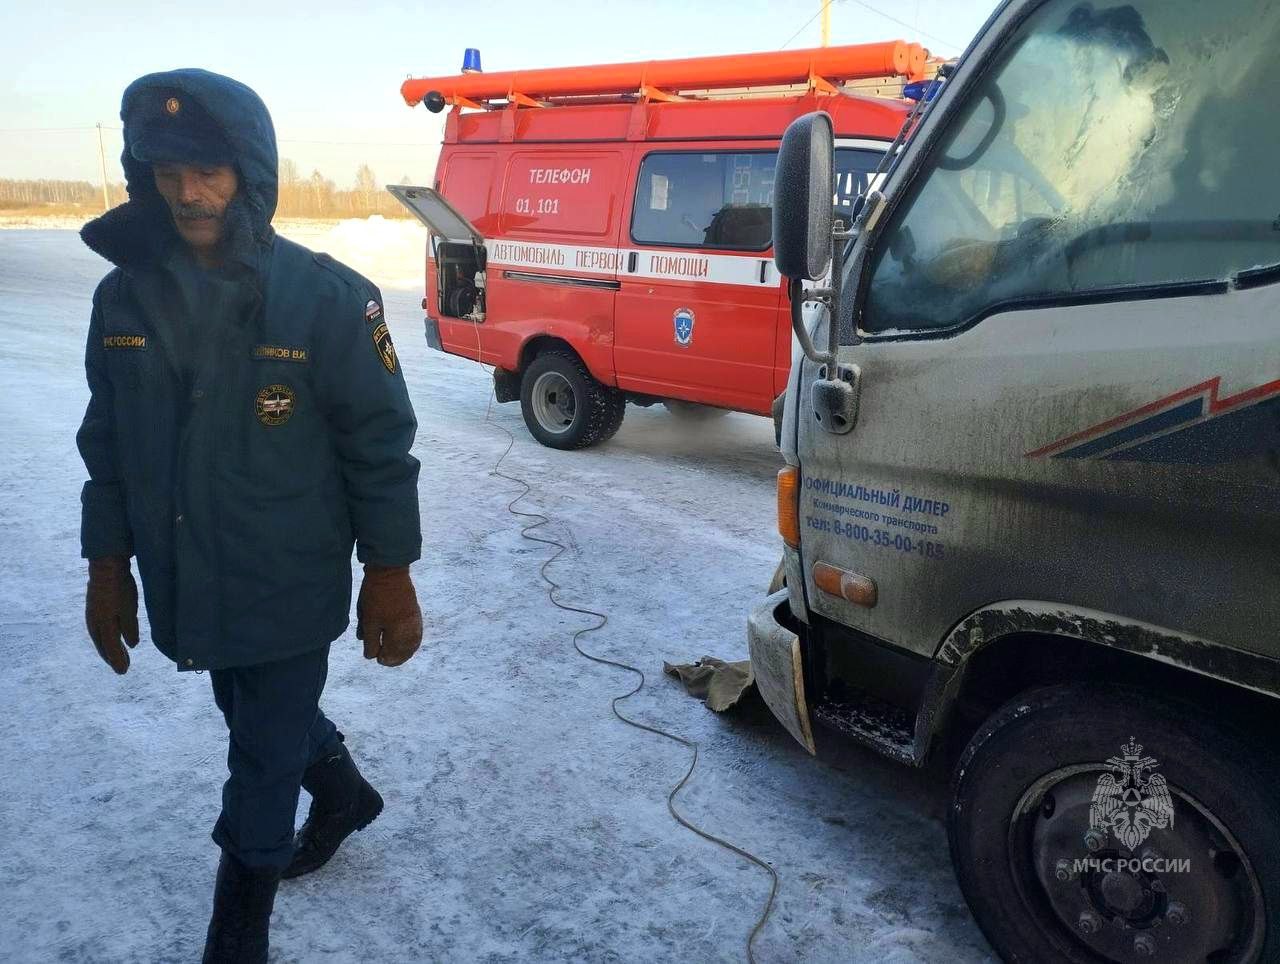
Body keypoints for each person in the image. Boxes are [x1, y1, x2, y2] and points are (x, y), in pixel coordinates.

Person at [76, 69, 423, 963]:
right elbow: (106, 443)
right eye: (166, 170)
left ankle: (238, 938)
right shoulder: (122, 300)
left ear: (250, 173)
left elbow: (380, 442)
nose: (187, 192)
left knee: (261, 759)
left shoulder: (327, 298)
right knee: (250, 706)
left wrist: (390, 572)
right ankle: (345, 792)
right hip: (185, 572)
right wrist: (107, 566)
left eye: (209, 171)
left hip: (288, 575)